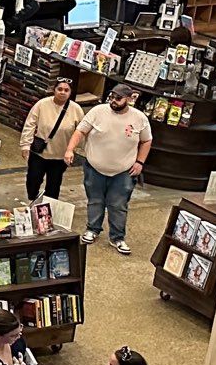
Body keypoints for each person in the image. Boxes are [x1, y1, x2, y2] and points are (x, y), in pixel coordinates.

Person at [64, 83, 152, 255]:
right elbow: (80, 131)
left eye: (118, 98)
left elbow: (146, 140)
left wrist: (140, 162)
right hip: (95, 167)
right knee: (95, 200)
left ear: (128, 99)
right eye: (112, 97)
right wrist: (69, 149)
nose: (113, 101)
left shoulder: (139, 118)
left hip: (123, 171)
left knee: (118, 204)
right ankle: (93, 229)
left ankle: (117, 237)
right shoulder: (98, 111)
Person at [20, 78, 79, 202]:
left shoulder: (76, 109)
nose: (62, 92)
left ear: (70, 92)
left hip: (59, 156)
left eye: (66, 90)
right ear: (54, 90)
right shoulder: (42, 104)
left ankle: (47, 211)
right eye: (60, 89)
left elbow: (81, 131)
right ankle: (33, 201)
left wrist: (72, 150)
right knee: (33, 180)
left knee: (53, 186)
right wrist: (25, 145)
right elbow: (30, 124)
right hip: (39, 152)